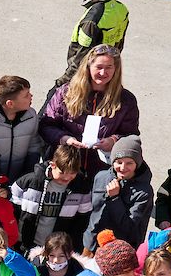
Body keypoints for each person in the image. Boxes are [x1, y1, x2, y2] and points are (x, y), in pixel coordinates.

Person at [38, 43, 137, 178]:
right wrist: (65, 139)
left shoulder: (126, 99)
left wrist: (113, 140)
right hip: (66, 169)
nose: (103, 73)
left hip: (102, 172)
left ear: (116, 69)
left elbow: (131, 134)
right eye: (99, 67)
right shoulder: (65, 93)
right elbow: (46, 125)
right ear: (88, 66)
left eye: (109, 67)